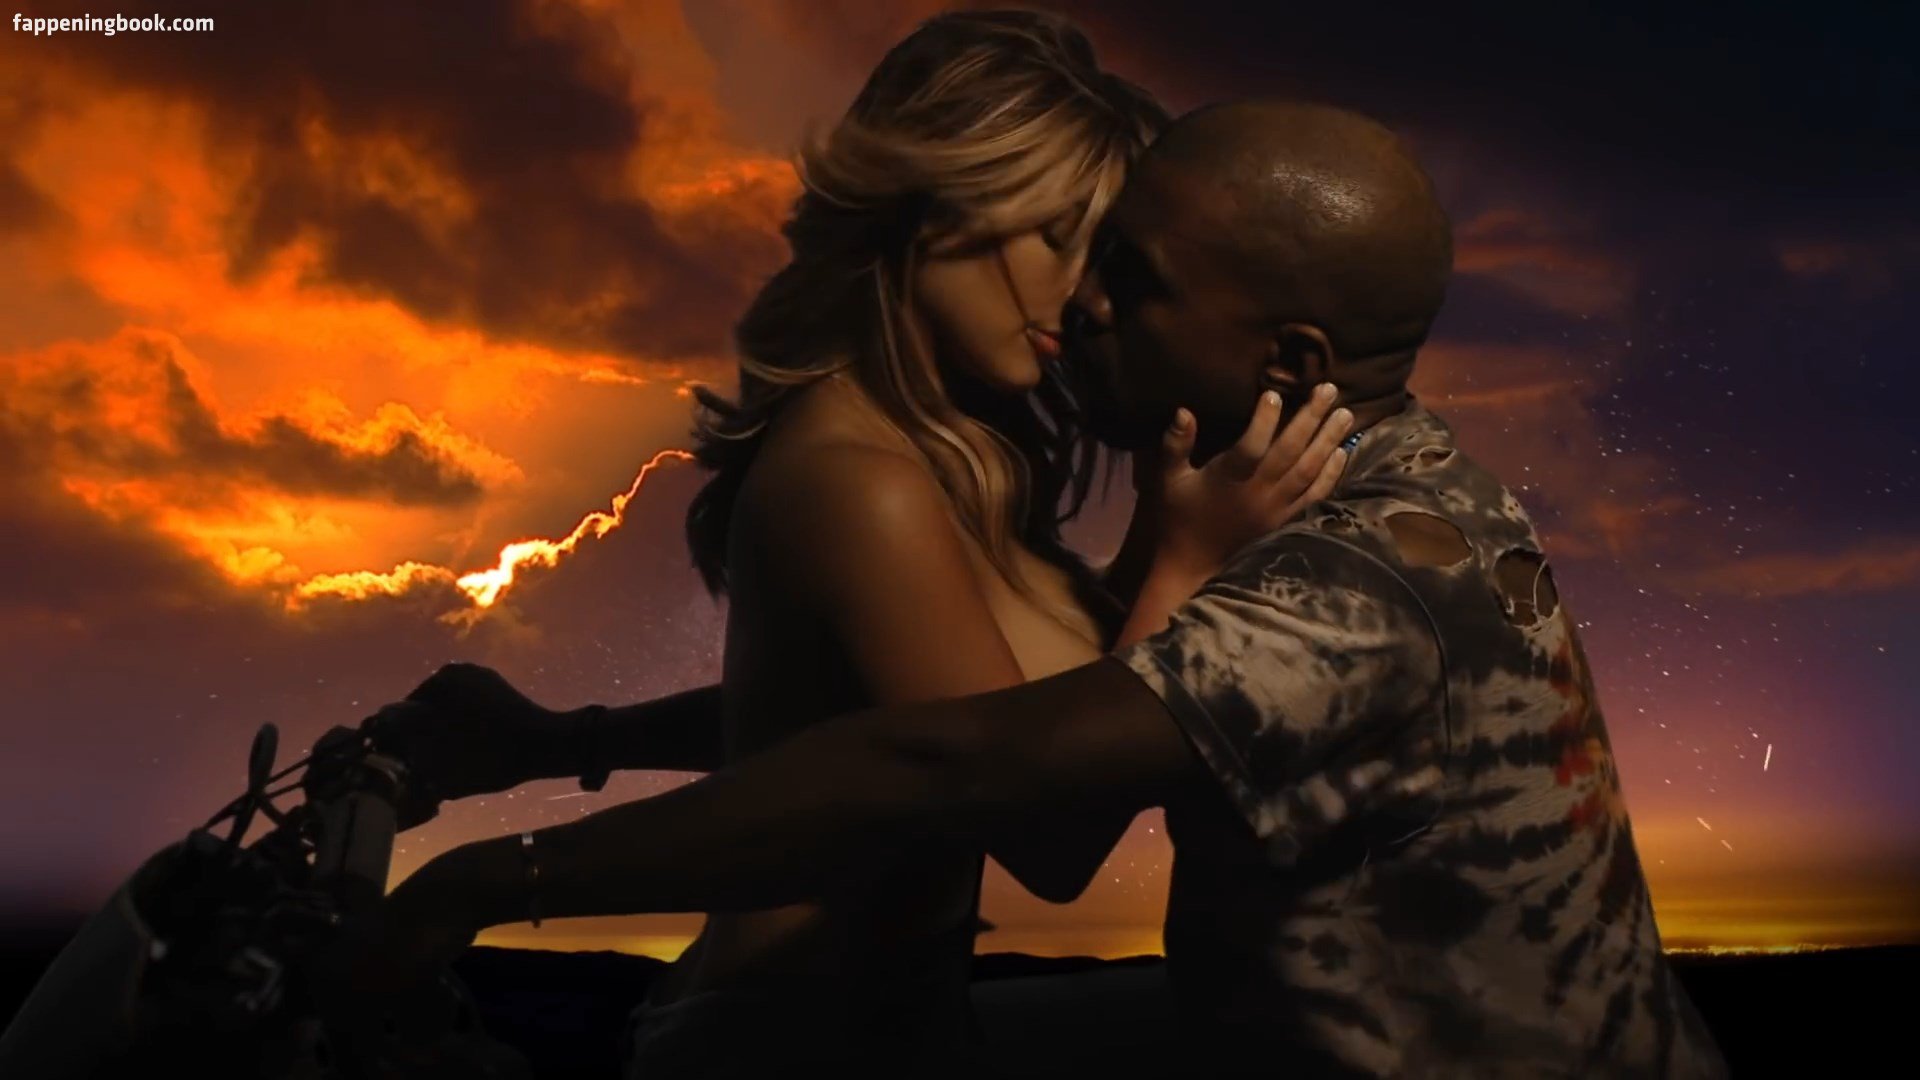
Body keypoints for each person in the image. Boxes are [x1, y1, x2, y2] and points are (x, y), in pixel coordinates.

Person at [353, 99, 1730, 1078]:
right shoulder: (1380, 476)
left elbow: (966, 767)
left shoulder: (1340, 586)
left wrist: (491, 881)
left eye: (1130, 275)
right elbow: (929, 708)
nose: (1086, 308)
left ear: (1294, 360)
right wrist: (572, 743)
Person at [355, 13, 1350, 1078]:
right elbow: (1051, 841)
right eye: (1055, 237)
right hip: (789, 1045)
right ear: (934, 202)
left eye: (1102, 259)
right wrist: (1188, 559)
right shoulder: (859, 480)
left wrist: (570, 742)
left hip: (890, 1022)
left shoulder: (953, 451)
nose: (1081, 295)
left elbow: (854, 720)